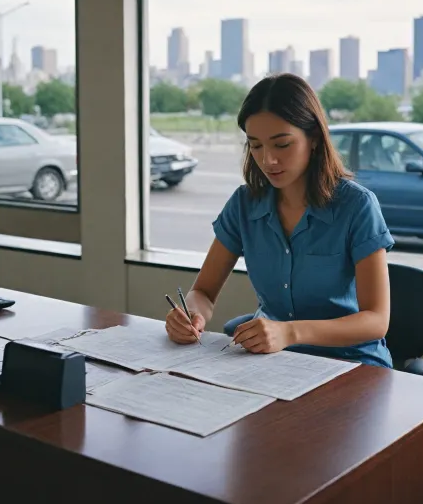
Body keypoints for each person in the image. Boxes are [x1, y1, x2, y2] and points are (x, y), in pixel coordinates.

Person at [165, 73, 395, 367]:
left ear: (313, 138)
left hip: (350, 364)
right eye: (256, 146)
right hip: (271, 363)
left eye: (282, 144)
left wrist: (290, 332)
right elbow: (204, 293)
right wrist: (191, 315)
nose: (268, 160)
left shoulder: (357, 206)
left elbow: (376, 321)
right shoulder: (243, 205)